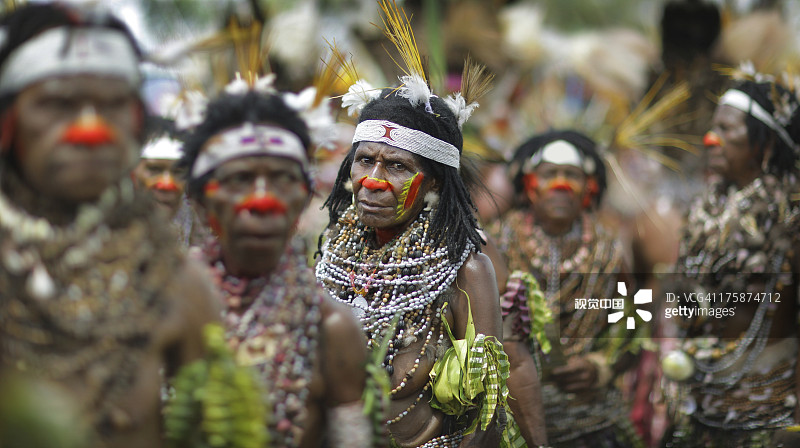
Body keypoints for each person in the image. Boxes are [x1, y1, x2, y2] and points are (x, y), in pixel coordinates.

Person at [0, 3, 219, 448]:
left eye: (115, 103)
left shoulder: (178, 285)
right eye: (56, 103)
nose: (90, 129)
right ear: (9, 119)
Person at [179, 83, 372, 448]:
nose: (263, 201)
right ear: (201, 203)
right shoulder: (164, 304)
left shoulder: (331, 328)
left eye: (283, 179)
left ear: (303, 200)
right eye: (240, 179)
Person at [661, 69, 800, 447]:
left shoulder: (790, 217)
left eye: (726, 130)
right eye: (712, 128)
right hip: (702, 402)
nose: (710, 140)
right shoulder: (703, 209)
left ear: (765, 141)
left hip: (770, 405)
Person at [488, 130, 644, 448]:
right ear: (528, 185)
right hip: (511, 416)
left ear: (590, 187)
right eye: (549, 174)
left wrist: (604, 365)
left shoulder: (610, 249)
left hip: (590, 417)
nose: (561, 184)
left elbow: (633, 321)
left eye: (572, 175)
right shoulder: (497, 242)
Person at [135, 114, 208, 247]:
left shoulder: (206, 237)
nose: (166, 184)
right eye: (154, 170)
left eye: (178, 172)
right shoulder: (103, 234)